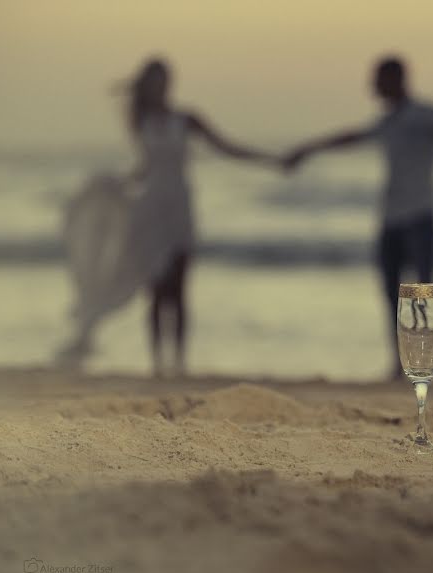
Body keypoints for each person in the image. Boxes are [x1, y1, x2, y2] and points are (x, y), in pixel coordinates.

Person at [282, 56, 433, 378]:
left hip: (420, 216)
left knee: (427, 289)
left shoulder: (425, 115)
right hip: (390, 219)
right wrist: (308, 149)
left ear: (397, 79)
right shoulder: (387, 121)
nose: (373, 86)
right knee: (392, 293)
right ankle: (400, 364)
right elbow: (350, 138)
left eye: (378, 79)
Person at [58, 58, 278, 376]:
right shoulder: (141, 120)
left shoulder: (186, 119)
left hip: (179, 209)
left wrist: (270, 160)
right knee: (156, 291)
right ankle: (158, 364)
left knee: (180, 289)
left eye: (164, 79)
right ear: (148, 85)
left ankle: (179, 361)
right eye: (155, 80)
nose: (160, 86)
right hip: (150, 210)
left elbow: (226, 146)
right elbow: (145, 168)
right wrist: (113, 186)